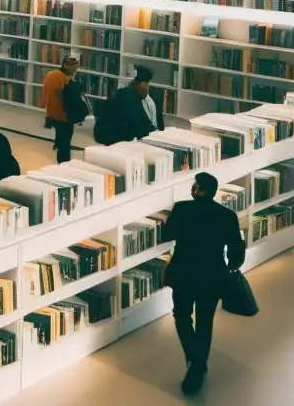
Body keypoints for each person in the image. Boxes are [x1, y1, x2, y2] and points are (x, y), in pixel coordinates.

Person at [161, 171, 245, 395]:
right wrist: (230, 267)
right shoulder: (227, 216)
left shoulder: (182, 209)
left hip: (184, 274)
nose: (192, 189)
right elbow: (237, 250)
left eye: (195, 186)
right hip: (213, 275)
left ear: (200, 190)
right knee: (205, 320)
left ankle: (195, 361)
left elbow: (166, 234)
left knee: (181, 316)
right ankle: (198, 364)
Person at [99, 65, 165, 145]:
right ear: (138, 85)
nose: (147, 89)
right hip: (121, 140)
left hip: (112, 138)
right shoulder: (128, 98)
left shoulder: (149, 102)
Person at [42, 55, 80, 163]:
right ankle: (64, 163)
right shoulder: (66, 79)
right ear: (65, 65)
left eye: (76, 65)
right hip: (64, 114)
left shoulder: (51, 74)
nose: (75, 68)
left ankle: (59, 148)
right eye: (73, 65)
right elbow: (67, 96)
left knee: (60, 135)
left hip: (52, 112)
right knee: (66, 141)